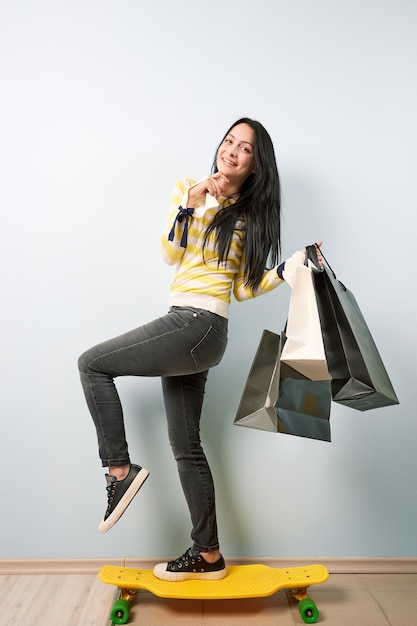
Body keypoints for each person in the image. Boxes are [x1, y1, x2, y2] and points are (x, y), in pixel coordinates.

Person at [78, 117, 322, 582]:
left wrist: (290, 267)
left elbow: (245, 288)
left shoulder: (249, 217)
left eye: (244, 148)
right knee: (186, 445)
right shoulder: (188, 190)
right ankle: (208, 554)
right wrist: (190, 206)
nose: (232, 151)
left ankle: (118, 471)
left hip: (197, 325)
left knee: (91, 365)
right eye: (229, 141)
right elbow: (170, 254)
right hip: (196, 334)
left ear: (255, 165)